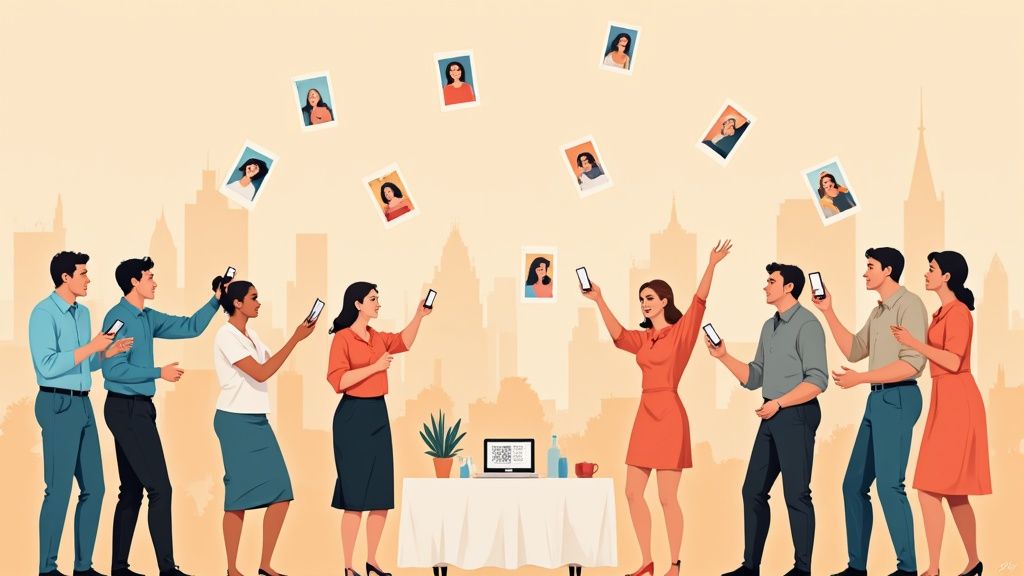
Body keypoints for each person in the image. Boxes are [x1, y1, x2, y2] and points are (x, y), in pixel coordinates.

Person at [583, 240, 732, 576]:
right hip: (645, 414)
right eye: (641, 299)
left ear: (665, 301)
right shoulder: (644, 338)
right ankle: (647, 561)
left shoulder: (681, 334)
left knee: (667, 498)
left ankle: (675, 564)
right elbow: (619, 336)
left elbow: (699, 301)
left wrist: (711, 264)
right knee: (632, 493)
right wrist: (599, 299)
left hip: (669, 415)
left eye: (650, 298)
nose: (645, 304)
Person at [102, 257, 224, 576]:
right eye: (149, 277)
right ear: (134, 282)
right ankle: (167, 570)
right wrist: (159, 372)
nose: (155, 282)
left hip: (140, 408)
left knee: (131, 490)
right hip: (126, 409)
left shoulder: (147, 317)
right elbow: (112, 370)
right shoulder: (118, 318)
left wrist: (216, 300)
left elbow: (190, 327)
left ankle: (119, 569)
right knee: (160, 489)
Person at [811, 247, 928, 576]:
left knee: (889, 485)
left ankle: (908, 569)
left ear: (888, 270)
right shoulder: (878, 313)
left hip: (899, 397)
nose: (865, 272)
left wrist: (861, 378)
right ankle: (857, 567)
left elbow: (912, 364)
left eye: (871, 266)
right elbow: (854, 349)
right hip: (877, 400)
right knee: (853, 485)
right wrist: (828, 311)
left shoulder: (910, 305)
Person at [707, 262, 828, 576]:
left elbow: (817, 381)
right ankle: (751, 567)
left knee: (796, 494)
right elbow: (754, 376)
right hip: (772, 413)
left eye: (771, 281)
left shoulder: (808, 324)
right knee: (752, 491)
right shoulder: (768, 326)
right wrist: (723, 356)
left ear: (789, 287)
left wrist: (780, 403)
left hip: (797, 413)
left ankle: (802, 570)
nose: (765, 286)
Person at [29, 251, 133, 576]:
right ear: (65, 277)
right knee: (58, 490)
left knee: (95, 488)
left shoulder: (83, 313)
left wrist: (106, 352)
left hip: (83, 404)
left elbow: (83, 363)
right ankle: (47, 568)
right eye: (83, 273)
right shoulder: (43, 313)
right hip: (57, 404)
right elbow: (48, 366)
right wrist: (92, 347)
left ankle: (82, 567)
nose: (88, 279)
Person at [891, 251, 990, 576]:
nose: (926, 273)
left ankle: (934, 568)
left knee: (930, 488)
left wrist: (913, 342)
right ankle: (973, 562)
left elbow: (952, 360)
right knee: (953, 492)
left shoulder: (958, 313)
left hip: (957, 401)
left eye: (931, 269)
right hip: (945, 399)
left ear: (947, 276)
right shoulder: (941, 313)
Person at [212, 277, 318, 576]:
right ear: (237, 303)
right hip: (234, 420)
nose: (259, 303)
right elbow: (261, 373)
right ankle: (232, 568)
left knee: (281, 491)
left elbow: (271, 363)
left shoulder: (252, 335)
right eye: (254, 297)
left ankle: (265, 564)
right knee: (237, 496)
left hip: (258, 420)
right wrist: (295, 338)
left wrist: (297, 338)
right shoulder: (226, 335)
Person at [326, 282, 433, 576]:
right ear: (357, 304)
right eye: (373, 299)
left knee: (379, 493)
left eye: (378, 298)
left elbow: (403, 342)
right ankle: (348, 565)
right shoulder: (343, 338)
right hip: (352, 418)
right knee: (354, 496)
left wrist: (419, 315)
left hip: (377, 414)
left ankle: (372, 560)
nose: (378, 303)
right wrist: (374, 367)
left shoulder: (377, 337)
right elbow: (338, 381)